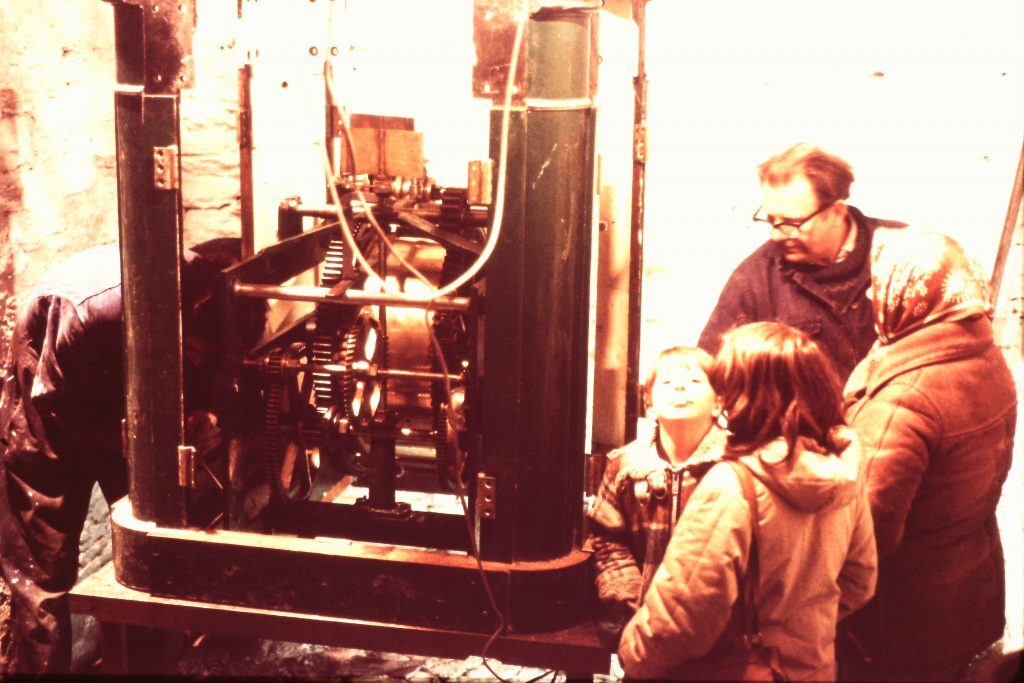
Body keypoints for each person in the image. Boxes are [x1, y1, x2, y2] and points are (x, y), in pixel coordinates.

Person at [0, 237, 262, 674]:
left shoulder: (216, 289)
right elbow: (57, 400)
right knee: (42, 577)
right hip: (54, 401)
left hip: (125, 387)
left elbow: (214, 366)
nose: (198, 365)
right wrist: (127, 438)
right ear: (184, 320)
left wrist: (205, 413)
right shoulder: (89, 314)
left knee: (154, 554)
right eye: (195, 354)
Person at [619, 322, 877, 681]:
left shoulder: (734, 485)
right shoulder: (842, 467)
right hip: (809, 670)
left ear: (746, 395)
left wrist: (631, 653)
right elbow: (860, 580)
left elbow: (680, 620)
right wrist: (797, 629)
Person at [838, 230, 1017, 682]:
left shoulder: (904, 400)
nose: (873, 294)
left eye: (880, 283)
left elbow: (866, 535)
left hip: (899, 625)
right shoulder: (984, 358)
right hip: (968, 590)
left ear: (912, 293)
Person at [699, 143, 906, 381]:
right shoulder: (753, 279)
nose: (777, 235)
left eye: (792, 223)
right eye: (771, 220)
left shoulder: (906, 253)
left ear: (837, 211)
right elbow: (708, 370)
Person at [587, 346, 727, 648]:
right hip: (645, 627)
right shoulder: (624, 465)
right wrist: (628, 600)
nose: (679, 387)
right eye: (666, 382)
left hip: (719, 636)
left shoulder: (735, 465)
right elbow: (607, 538)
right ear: (649, 403)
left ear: (718, 402)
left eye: (694, 381)